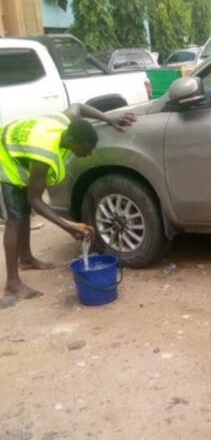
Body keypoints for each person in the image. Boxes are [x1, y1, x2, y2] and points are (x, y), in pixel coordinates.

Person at [1, 104, 136, 299]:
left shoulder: (66, 122)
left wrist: (110, 118)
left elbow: (79, 107)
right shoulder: (43, 154)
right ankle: (12, 283)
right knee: (15, 218)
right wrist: (69, 226)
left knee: (23, 213)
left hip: (17, 151)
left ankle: (26, 258)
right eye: (86, 149)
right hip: (3, 156)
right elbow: (35, 200)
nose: (88, 154)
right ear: (72, 140)